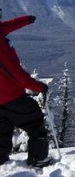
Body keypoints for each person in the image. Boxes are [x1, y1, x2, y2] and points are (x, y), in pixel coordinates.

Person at [0, 13, 51, 167]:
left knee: (1, 129)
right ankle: (38, 159)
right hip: (11, 95)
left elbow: (6, 26)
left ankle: (1, 161)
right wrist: (39, 87)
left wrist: (25, 20)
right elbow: (16, 73)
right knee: (35, 122)